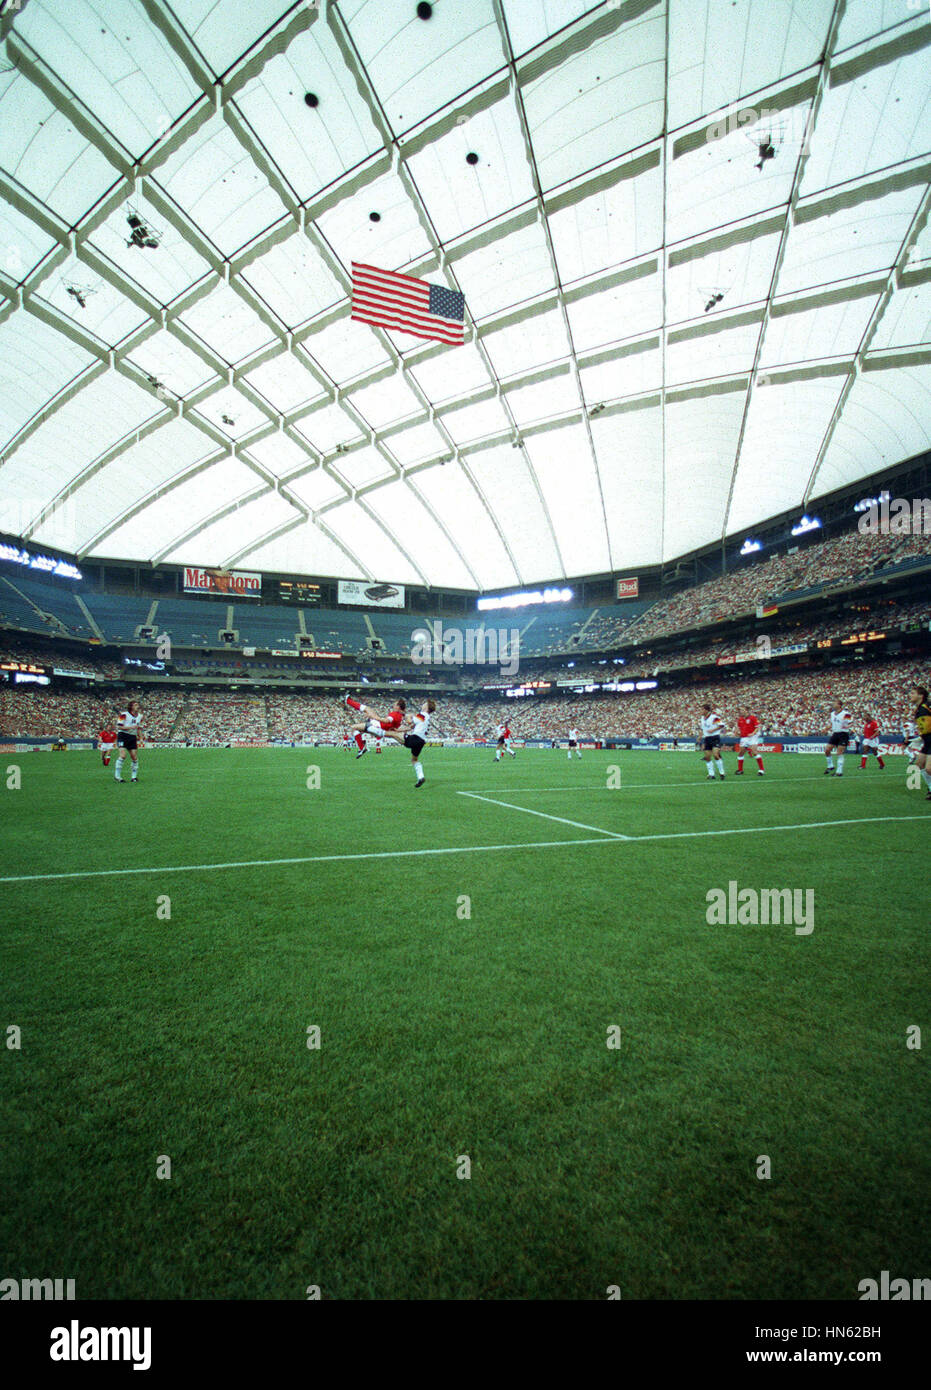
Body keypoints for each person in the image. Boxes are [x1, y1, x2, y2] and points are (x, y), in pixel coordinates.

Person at [382, 700, 436, 788]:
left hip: (415, 738)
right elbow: (410, 727)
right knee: (414, 760)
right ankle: (421, 777)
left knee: (392, 734)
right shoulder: (426, 717)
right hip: (421, 742)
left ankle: (373, 730)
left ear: (426, 707)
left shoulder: (422, 714)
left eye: (424, 704)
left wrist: (408, 715)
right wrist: (398, 730)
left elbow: (409, 722)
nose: (422, 705)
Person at [343, 693, 405, 758]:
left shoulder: (395, 714)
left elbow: (386, 721)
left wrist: (373, 717)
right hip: (379, 727)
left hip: (377, 727)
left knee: (353, 727)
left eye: (395, 704)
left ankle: (361, 748)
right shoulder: (400, 716)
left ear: (398, 707)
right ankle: (349, 701)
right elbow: (394, 728)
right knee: (367, 709)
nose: (393, 705)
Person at [908, 685, 931, 801]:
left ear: (920, 695)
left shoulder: (927, 706)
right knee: (919, 765)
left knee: (929, 769)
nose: (910, 695)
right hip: (927, 740)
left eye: (912, 693)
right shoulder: (919, 709)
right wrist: (919, 738)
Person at [114, 700, 142, 783]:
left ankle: (134, 777)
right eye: (136, 705)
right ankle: (117, 776)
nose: (138, 706)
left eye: (138, 704)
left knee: (134, 757)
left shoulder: (140, 716)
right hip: (123, 736)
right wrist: (131, 727)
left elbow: (138, 727)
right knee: (123, 755)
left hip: (132, 737)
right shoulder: (123, 714)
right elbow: (119, 727)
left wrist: (140, 737)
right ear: (131, 707)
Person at [735, 707, 765, 775]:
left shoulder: (753, 718)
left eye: (742, 710)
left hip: (752, 737)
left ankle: (761, 770)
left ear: (746, 711)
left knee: (754, 751)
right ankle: (740, 770)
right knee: (741, 753)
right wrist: (737, 732)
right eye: (740, 710)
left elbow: (757, 727)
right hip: (744, 737)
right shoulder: (740, 719)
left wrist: (753, 733)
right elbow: (739, 728)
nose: (741, 711)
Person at [824, 701, 851, 776]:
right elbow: (833, 723)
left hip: (843, 734)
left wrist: (846, 726)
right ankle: (830, 766)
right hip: (835, 733)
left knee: (839, 752)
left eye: (835, 703)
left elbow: (851, 722)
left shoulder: (846, 714)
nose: (833, 704)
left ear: (839, 705)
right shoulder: (832, 714)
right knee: (827, 750)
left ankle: (839, 771)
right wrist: (826, 728)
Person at [700, 703, 726, 780]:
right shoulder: (702, 718)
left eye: (702, 709)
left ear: (706, 710)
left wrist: (713, 730)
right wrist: (700, 736)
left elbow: (721, 725)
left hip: (715, 738)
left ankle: (722, 772)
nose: (700, 711)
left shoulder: (714, 717)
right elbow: (703, 728)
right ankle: (711, 774)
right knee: (707, 757)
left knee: (715, 755)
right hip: (707, 738)